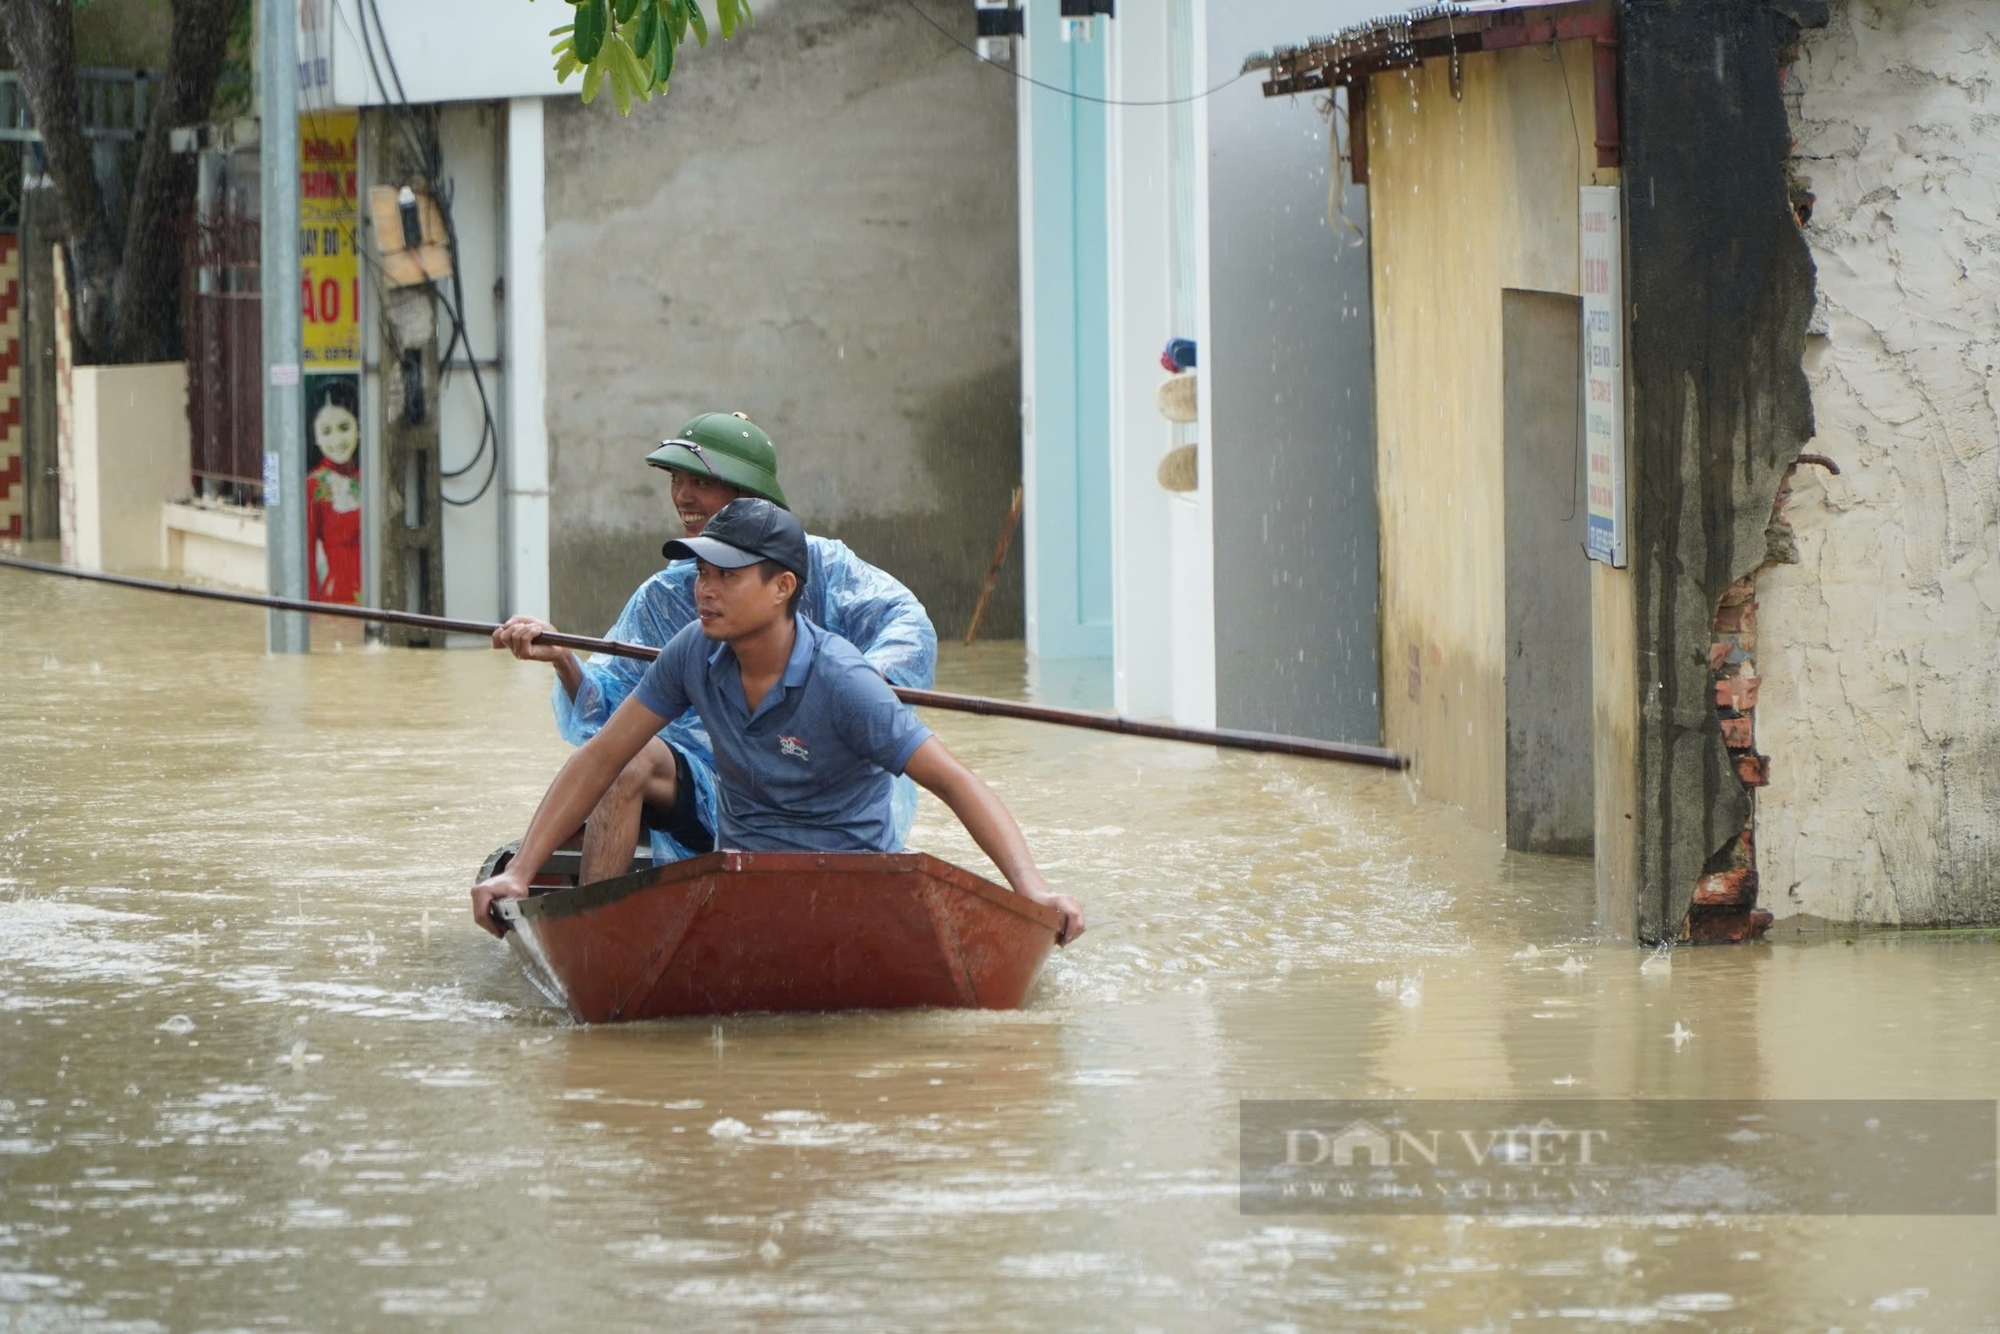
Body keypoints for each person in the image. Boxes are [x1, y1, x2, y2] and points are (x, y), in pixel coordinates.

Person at [471, 500, 1085, 945]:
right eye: (701, 575)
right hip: (740, 885)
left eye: (727, 576)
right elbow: (603, 755)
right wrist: (522, 872)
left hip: (847, 894)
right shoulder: (693, 651)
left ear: (782, 587)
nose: (704, 592)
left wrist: (1029, 889)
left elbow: (955, 781)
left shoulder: (845, 682)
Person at [491, 412, 936, 883]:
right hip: (715, 789)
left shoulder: (824, 572)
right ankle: (596, 929)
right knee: (627, 760)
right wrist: (562, 657)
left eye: (699, 482)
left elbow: (908, 628)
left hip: (823, 791)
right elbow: (607, 729)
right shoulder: (671, 607)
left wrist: (863, 691)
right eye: (676, 481)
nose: (683, 497)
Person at [306, 379, 363, 605]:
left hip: (379, 596)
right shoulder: (312, 486)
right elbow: (306, 556)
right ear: (315, 437)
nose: (337, 440)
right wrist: (309, 613)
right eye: (326, 431)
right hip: (337, 600)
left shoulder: (373, 479)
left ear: (358, 427)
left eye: (344, 428)